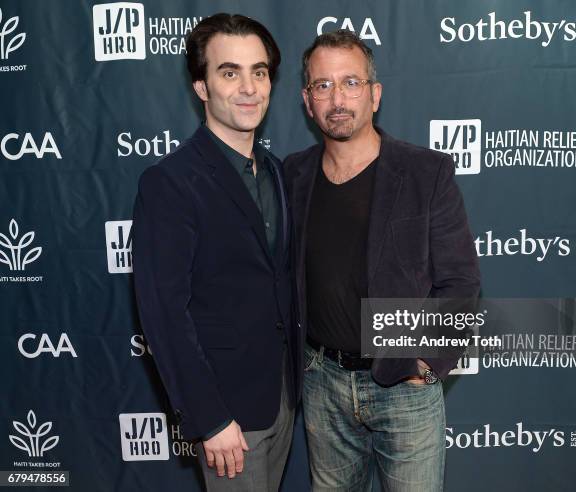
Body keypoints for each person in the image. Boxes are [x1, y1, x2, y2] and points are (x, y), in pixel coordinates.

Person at [284, 30, 480, 491]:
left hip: (402, 388)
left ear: (375, 94)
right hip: (322, 382)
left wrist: (428, 362)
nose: (337, 98)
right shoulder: (291, 175)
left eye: (350, 82)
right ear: (307, 100)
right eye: (323, 85)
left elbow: (461, 281)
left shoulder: (425, 172)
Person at [132, 13, 297, 491]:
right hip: (228, 416)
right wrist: (209, 417)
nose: (248, 88)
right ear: (201, 87)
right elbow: (164, 312)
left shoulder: (278, 173)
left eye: (259, 71)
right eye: (230, 72)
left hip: (283, 398)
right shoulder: (170, 183)